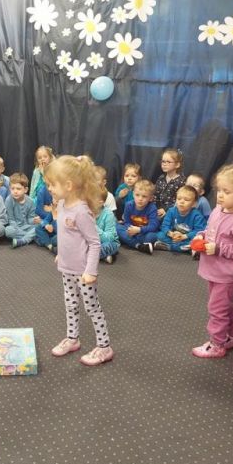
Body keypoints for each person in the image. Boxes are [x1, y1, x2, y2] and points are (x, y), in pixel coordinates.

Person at [45, 156, 113, 366]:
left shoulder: (82, 211)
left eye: (52, 184)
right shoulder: (62, 203)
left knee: (92, 308)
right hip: (66, 268)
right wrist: (62, 254)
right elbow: (66, 235)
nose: (49, 188)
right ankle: (72, 339)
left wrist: (91, 271)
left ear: (68, 185)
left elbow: (94, 243)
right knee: (71, 304)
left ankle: (104, 347)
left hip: (83, 272)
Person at [190, 161, 233, 358]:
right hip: (214, 268)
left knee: (217, 308)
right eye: (219, 190)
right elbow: (211, 230)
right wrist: (201, 235)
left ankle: (217, 344)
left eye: (227, 192)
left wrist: (219, 248)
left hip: (228, 272)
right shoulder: (218, 210)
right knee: (225, 304)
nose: (220, 195)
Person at [153, 185, 206, 253]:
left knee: (197, 240)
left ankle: (170, 247)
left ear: (194, 203)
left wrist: (184, 236)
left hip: (186, 238)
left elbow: (199, 231)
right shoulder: (171, 211)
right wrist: (171, 234)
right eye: (179, 199)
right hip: (173, 237)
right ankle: (184, 248)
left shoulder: (197, 215)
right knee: (159, 235)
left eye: (186, 200)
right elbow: (164, 226)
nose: (181, 202)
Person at [116, 179, 160, 254]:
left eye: (144, 196)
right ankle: (138, 246)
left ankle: (131, 242)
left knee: (151, 236)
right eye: (137, 195)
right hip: (133, 232)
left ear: (150, 198)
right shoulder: (129, 205)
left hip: (144, 232)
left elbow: (153, 226)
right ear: (133, 194)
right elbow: (127, 222)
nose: (140, 199)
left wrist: (139, 230)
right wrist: (130, 229)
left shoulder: (152, 208)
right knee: (117, 227)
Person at [4, 172, 37, 248]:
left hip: (26, 226)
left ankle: (23, 240)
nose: (15, 191)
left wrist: (34, 220)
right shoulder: (9, 200)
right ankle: (30, 238)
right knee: (8, 231)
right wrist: (18, 229)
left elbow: (30, 219)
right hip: (14, 227)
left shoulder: (30, 201)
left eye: (18, 189)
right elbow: (11, 219)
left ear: (25, 190)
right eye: (12, 188)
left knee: (38, 227)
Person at [154, 149, 186, 219]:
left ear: (177, 165)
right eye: (163, 161)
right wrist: (155, 208)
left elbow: (180, 200)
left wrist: (166, 210)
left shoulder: (181, 181)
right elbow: (156, 195)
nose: (164, 164)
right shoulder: (161, 178)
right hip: (158, 209)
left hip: (173, 211)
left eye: (168, 162)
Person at [95, 188, 120, 264]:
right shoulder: (86, 211)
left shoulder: (108, 214)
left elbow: (109, 238)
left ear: (100, 202)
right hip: (92, 243)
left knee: (107, 246)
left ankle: (87, 256)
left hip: (108, 242)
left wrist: (93, 227)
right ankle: (104, 256)